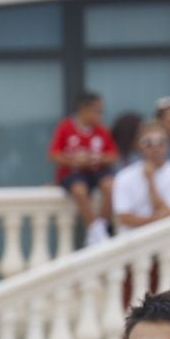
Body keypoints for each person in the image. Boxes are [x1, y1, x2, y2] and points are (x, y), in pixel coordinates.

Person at [48, 91, 118, 240]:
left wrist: (98, 158)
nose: (100, 115)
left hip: (97, 171)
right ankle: (94, 229)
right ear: (84, 110)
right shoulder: (65, 127)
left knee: (110, 186)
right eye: (97, 111)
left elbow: (113, 156)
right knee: (79, 190)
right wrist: (74, 161)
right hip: (73, 173)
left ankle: (102, 226)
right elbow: (53, 154)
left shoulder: (102, 130)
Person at [111, 120, 170, 231]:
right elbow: (124, 217)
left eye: (160, 142)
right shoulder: (123, 177)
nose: (155, 148)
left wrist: (151, 181)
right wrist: (154, 221)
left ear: (168, 144)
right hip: (134, 238)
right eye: (148, 143)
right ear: (139, 145)